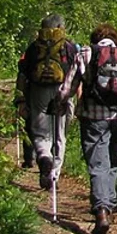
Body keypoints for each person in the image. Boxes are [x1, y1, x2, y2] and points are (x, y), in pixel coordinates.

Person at [63, 22, 117, 234]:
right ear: (115, 39)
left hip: (93, 116)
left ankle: (101, 209)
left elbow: (69, 86)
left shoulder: (85, 54)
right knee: (113, 159)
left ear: (95, 38)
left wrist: (59, 101)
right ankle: (108, 204)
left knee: (98, 162)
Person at [16, 14, 77, 190]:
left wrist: (21, 100)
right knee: (60, 134)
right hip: (63, 91)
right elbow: (77, 73)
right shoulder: (68, 47)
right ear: (61, 28)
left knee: (41, 132)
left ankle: (44, 158)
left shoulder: (35, 48)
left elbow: (23, 73)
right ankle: (54, 175)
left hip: (38, 92)